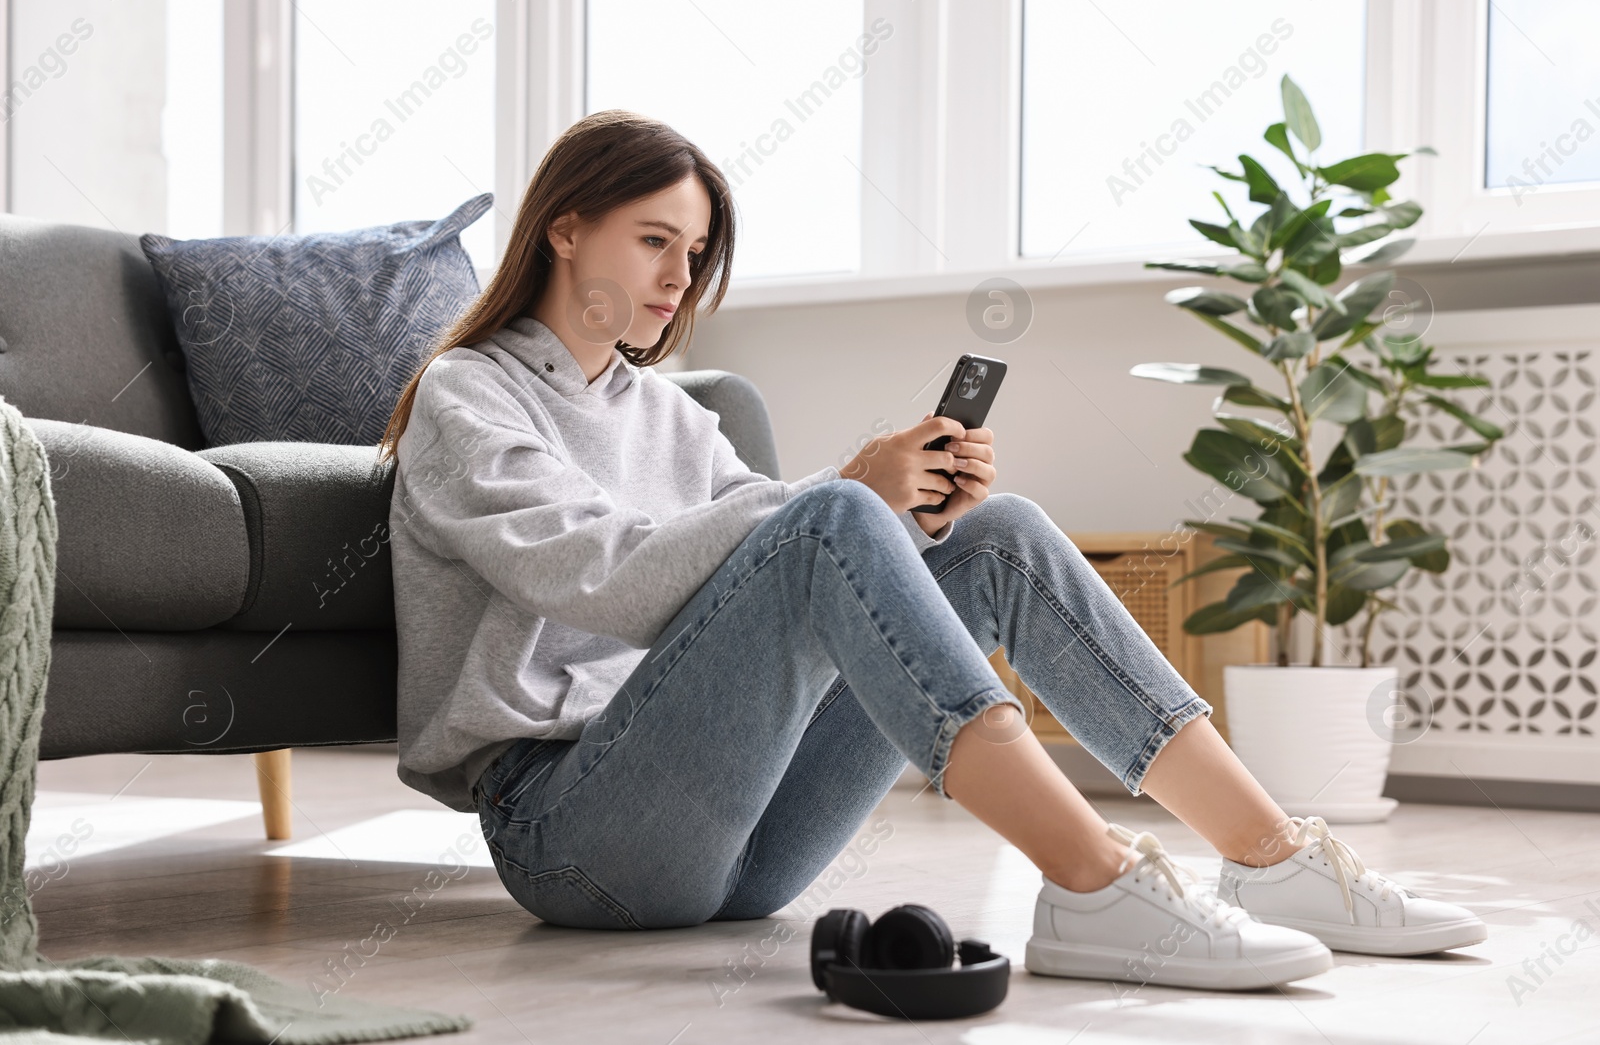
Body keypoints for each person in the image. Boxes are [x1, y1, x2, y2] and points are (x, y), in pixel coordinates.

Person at [375, 109, 1487, 992]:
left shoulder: (673, 415)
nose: (679, 277)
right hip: (573, 833)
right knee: (830, 510)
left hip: (742, 844)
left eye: (696, 249)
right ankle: (1094, 882)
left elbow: (767, 552)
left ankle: (1272, 858)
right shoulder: (470, 394)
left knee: (990, 535)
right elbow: (603, 580)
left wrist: (913, 506)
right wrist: (847, 492)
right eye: (653, 239)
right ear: (564, 227)